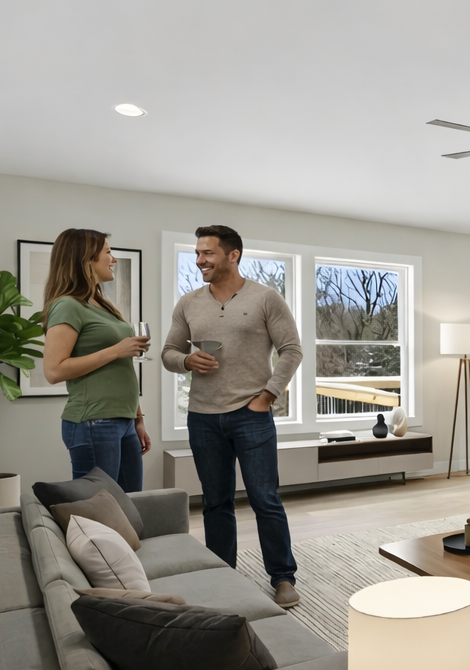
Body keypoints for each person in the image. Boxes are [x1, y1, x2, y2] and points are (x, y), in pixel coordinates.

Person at [161, 225, 304, 609]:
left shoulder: (265, 298)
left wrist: (267, 396)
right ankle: (225, 575)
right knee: (215, 503)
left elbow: (291, 350)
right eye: (197, 253)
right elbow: (168, 353)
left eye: (207, 253)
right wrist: (186, 360)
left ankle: (283, 577)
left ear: (233, 255)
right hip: (202, 417)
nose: (199, 260)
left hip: (251, 415)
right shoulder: (188, 303)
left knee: (265, 498)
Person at [41, 229, 151, 491]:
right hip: (94, 421)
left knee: (130, 505)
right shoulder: (67, 305)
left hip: (121, 421)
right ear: (86, 259)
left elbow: (120, 369)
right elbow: (54, 371)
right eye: (108, 252)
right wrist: (116, 350)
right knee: (97, 509)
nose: (113, 259)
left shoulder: (101, 304)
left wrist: (137, 418)